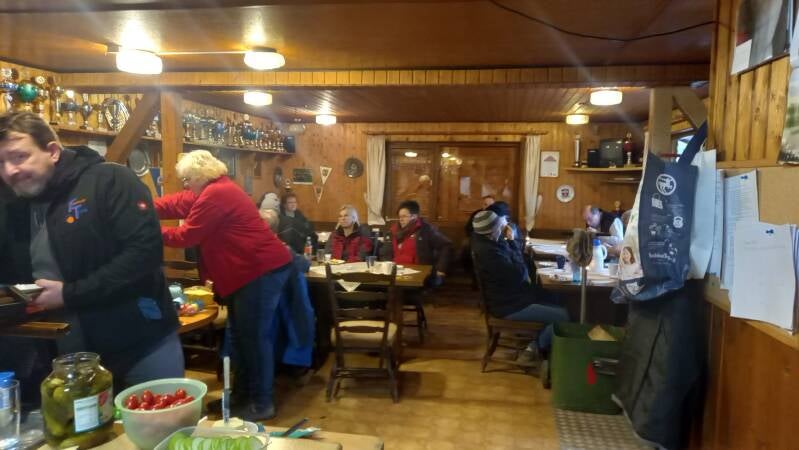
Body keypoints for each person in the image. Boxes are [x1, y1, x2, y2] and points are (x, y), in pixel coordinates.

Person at [0, 111, 182, 393]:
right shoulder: (14, 204)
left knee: (162, 419)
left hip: (141, 345)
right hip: (66, 360)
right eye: (1, 163)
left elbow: (144, 254)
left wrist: (69, 294)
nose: (10, 170)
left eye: (19, 156)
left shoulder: (110, 180)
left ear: (52, 151)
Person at [154, 150, 294, 421]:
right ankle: (241, 398)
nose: (185, 184)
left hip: (258, 271)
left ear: (200, 176)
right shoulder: (211, 190)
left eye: (187, 179)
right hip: (247, 273)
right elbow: (177, 203)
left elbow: (187, 235)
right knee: (240, 339)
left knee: (253, 340)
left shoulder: (216, 194)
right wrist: (142, 207)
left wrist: (147, 228)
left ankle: (261, 403)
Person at [471, 210, 569, 352]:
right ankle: (535, 348)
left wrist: (510, 242)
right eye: (500, 226)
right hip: (508, 305)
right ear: (492, 230)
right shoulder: (489, 252)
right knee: (563, 316)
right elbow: (519, 272)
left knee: (556, 298)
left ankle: (542, 344)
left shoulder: (490, 242)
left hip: (513, 296)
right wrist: (511, 241)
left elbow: (517, 268)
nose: (503, 227)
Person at [380, 200, 452, 285]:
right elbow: (385, 253)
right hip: (396, 272)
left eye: (404, 216)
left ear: (414, 216)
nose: (401, 220)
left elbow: (446, 245)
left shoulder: (426, 230)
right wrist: (387, 267)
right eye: (399, 217)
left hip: (419, 273)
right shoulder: (393, 231)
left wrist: (441, 269)